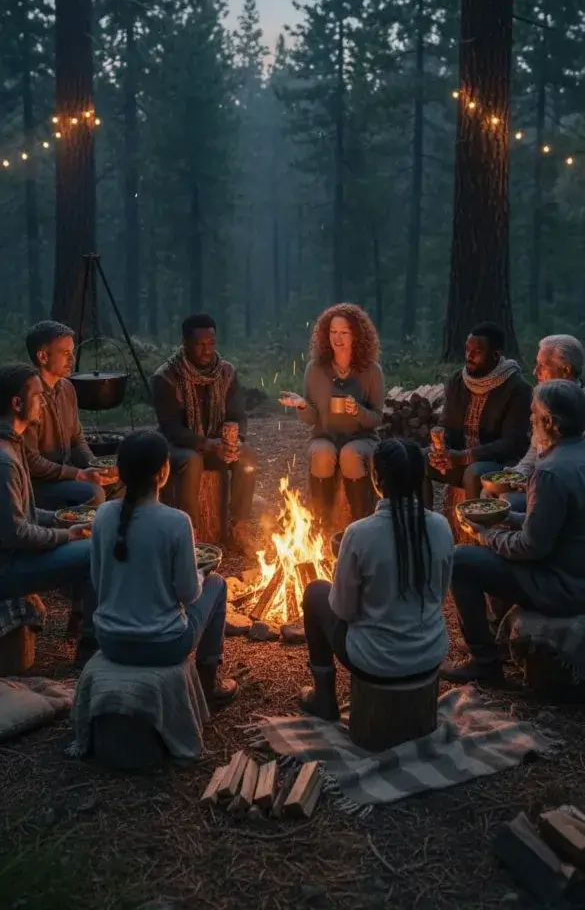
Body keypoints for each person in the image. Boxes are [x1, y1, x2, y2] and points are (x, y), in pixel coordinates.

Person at [441, 380, 585, 685]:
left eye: (533, 415)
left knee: (461, 561)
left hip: (563, 586)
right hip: (575, 570)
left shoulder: (549, 472)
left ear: (550, 422)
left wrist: (484, 534)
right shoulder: (576, 456)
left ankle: (485, 663)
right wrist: (508, 516)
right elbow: (561, 525)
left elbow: (531, 548)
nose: (529, 421)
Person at [299, 438, 454, 720]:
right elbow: (439, 596)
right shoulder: (441, 527)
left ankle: (323, 697)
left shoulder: (359, 533)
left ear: (376, 479)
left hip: (376, 661)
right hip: (430, 655)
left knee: (314, 593)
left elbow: (342, 609)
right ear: (420, 478)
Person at [90, 429, 237, 707]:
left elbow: (98, 582)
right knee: (217, 583)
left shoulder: (103, 515)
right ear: (163, 472)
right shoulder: (176, 521)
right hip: (163, 646)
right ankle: (209, 684)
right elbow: (188, 593)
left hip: (110, 641)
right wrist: (200, 572)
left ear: (120, 472)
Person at [0, 363, 97, 664]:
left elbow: (24, 512)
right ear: (17, 403)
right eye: (39, 397)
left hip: (14, 555)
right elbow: (14, 531)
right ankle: (92, 646)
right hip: (8, 567)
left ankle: (84, 624)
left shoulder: (11, 445)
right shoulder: (4, 459)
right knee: (94, 553)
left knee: (90, 537)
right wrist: (63, 535)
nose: (43, 403)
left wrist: (61, 519)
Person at [152, 314, 256, 554]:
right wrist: (208, 444)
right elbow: (170, 428)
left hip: (217, 443)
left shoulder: (226, 372)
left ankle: (238, 528)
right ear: (185, 343)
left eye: (211, 343)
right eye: (200, 344)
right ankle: (190, 533)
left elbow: (238, 415)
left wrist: (235, 442)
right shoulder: (166, 376)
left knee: (247, 457)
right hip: (178, 446)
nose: (206, 350)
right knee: (192, 460)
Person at [280, 303, 384, 525]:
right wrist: (301, 405)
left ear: (356, 335)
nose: (338, 338)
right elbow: (312, 419)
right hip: (324, 435)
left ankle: (361, 522)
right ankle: (320, 523)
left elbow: (377, 418)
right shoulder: (315, 369)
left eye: (344, 332)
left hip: (361, 438)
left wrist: (358, 410)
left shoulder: (372, 370)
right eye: (333, 332)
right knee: (322, 454)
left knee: (350, 455)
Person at [423, 322, 531, 507]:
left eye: (477, 352)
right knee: (418, 458)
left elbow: (510, 444)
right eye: (467, 350)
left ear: (495, 355)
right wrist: (440, 450)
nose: (469, 356)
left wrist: (464, 456)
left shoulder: (517, 388)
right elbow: (446, 424)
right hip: (459, 459)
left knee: (474, 472)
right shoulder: (458, 381)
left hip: (500, 464)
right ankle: (424, 525)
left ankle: (479, 531)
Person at [483, 334, 585, 513]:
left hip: (560, 490)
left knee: (506, 502)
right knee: (489, 491)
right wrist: (516, 474)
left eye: (543, 365)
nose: (535, 371)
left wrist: (530, 484)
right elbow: (535, 450)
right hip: (538, 480)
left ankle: (512, 539)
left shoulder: (577, 407)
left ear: (566, 370)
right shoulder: (544, 399)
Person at [23, 320, 114, 511]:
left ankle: (117, 537)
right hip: (39, 483)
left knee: (123, 481)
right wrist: (78, 475)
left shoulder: (67, 388)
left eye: (72, 352)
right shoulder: (28, 396)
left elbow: (76, 439)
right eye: (65, 353)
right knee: (93, 493)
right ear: (43, 356)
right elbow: (32, 462)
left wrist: (97, 468)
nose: (72, 359)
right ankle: (77, 536)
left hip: (67, 472)